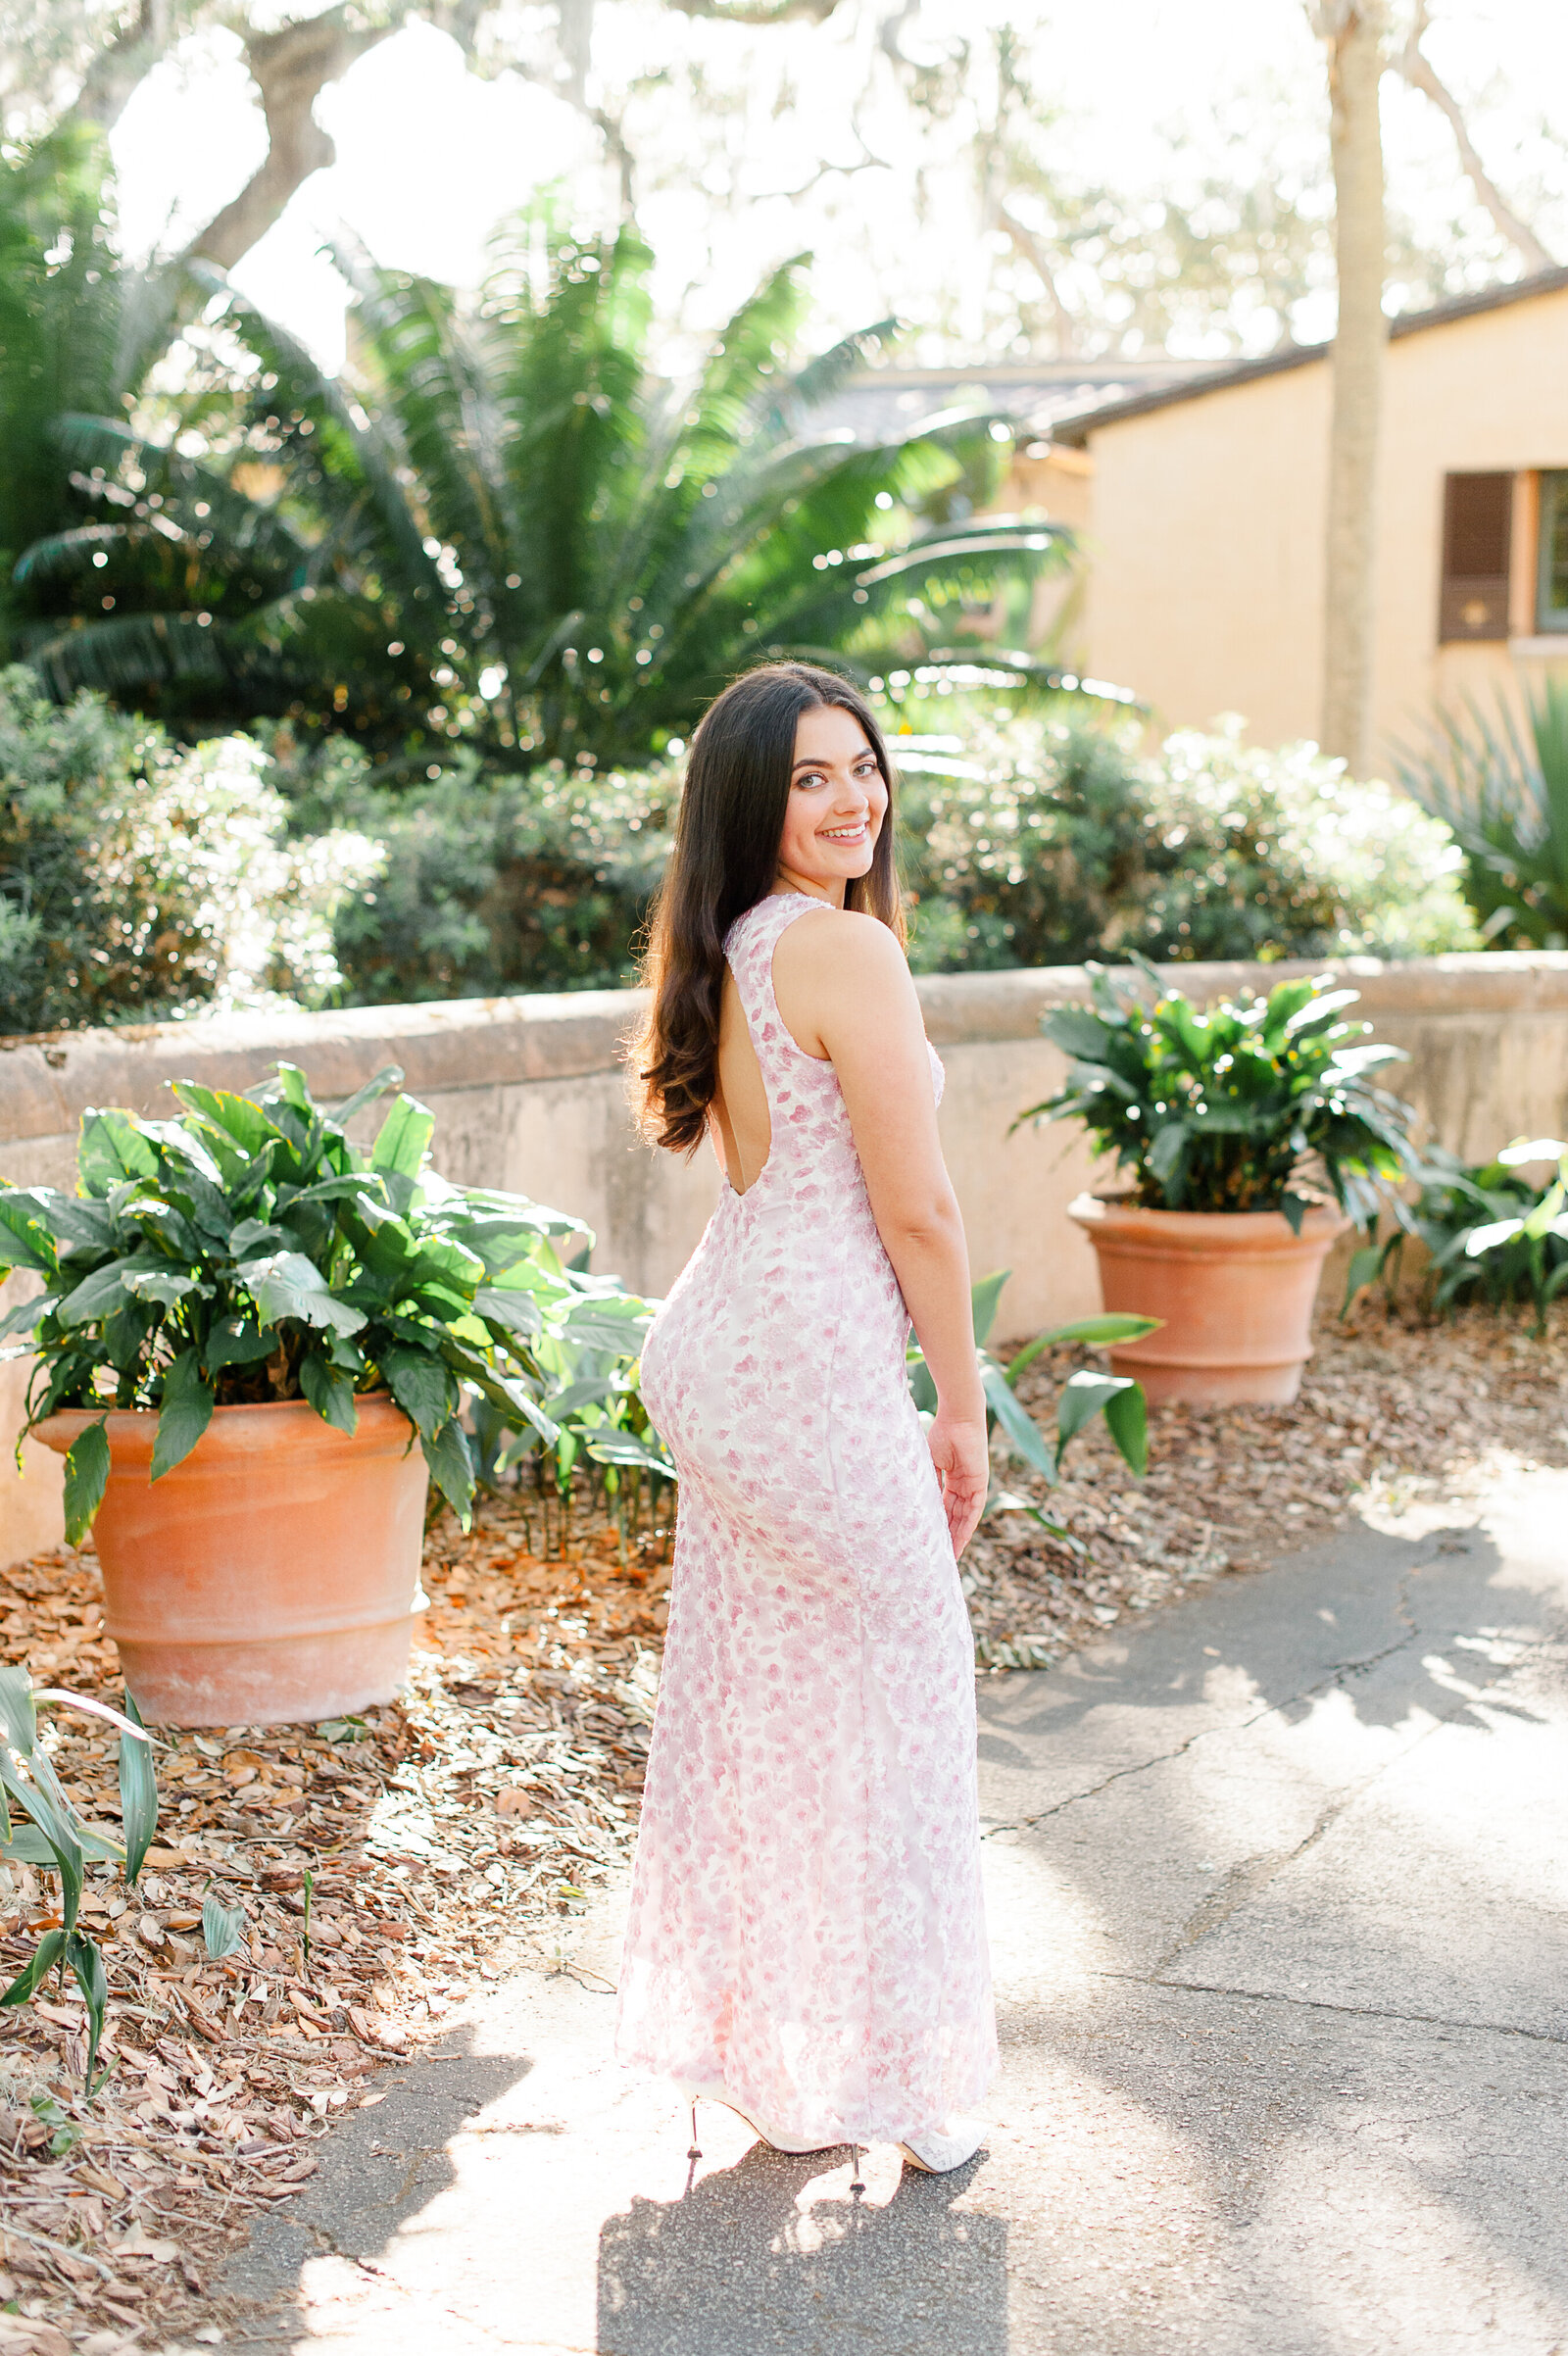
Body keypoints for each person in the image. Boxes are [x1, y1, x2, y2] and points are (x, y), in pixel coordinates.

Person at [616, 662, 995, 2177]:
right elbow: (921, 1210)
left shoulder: (734, 945)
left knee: (767, 1698)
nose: (852, 802)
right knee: (906, 1699)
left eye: (863, 768)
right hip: (803, 1379)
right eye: (809, 780)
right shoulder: (846, 954)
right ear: (752, 804)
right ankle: (904, 2092)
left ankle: (770, 2063)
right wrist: (958, 1412)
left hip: (726, 1357)